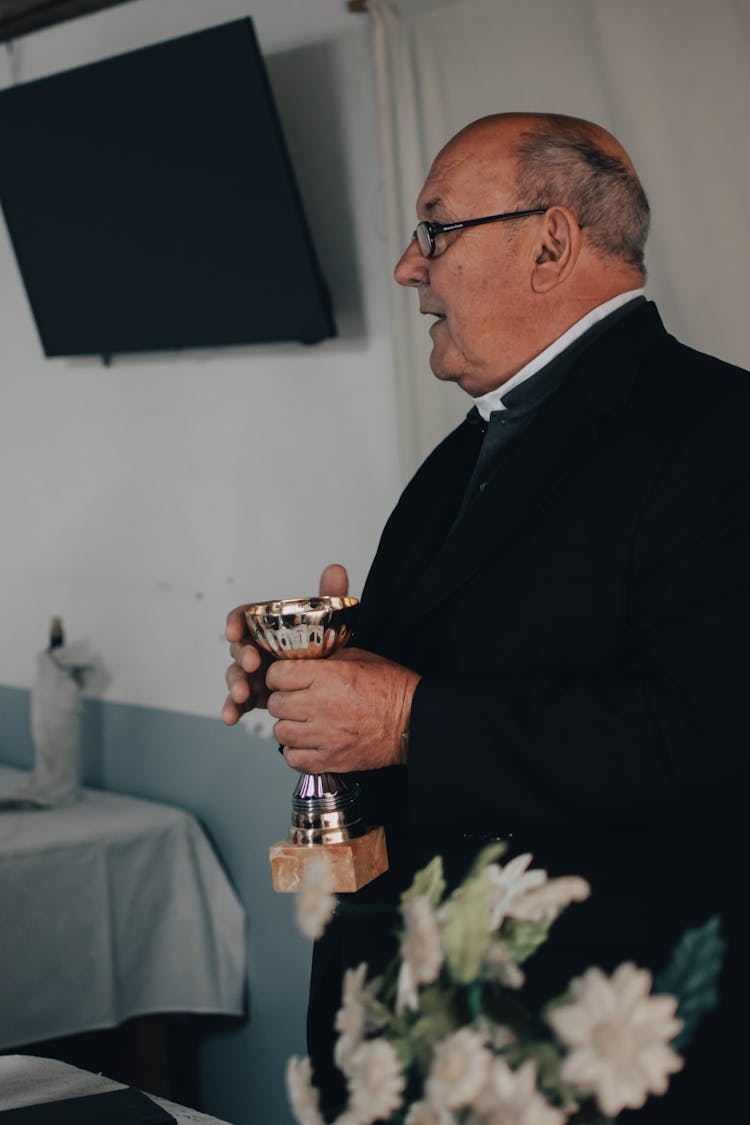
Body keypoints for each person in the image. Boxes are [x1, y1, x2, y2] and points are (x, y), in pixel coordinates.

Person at [223, 114, 750, 1121]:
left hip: (588, 1039)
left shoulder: (723, 436)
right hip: (426, 1017)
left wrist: (406, 718)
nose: (405, 270)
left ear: (550, 241)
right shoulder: (472, 447)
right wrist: (327, 665)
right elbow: (521, 631)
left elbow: (710, 730)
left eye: (434, 232)